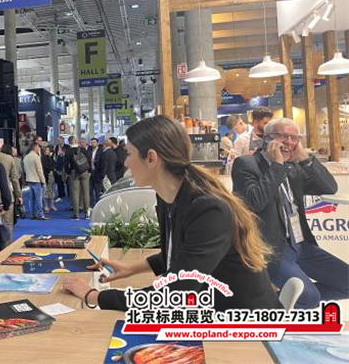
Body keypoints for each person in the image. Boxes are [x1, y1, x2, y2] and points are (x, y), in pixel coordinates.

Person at [62, 116, 282, 312]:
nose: (126, 163)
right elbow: (181, 252)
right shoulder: (171, 197)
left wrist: (94, 296)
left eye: (129, 154)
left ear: (151, 158)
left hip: (247, 325)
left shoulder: (208, 209)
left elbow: (175, 293)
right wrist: (132, 268)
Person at [232, 118, 346, 308]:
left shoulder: (293, 167)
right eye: (283, 136)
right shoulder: (246, 163)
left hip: (300, 244)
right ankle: (266, 306)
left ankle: (270, 302)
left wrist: (305, 158)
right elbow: (253, 203)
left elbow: (329, 187)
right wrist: (276, 165)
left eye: (295, 138)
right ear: (267, 138)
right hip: (270, 249)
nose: (289, 142)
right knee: (309, 298)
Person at [0, 135, 21, 236]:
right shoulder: (9, 158)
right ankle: (8, 244)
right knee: (8, 224)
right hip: (7, 195)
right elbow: (14, 179)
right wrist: (18, 195)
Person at [65, 136, 91, 220]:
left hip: (74, 173)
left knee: (75, 194)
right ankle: (87, 214)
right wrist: (89, 170)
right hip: (84, 172)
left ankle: (76, 214)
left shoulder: (68, 151)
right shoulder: (83, 149)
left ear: (70, 142)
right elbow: (89, 160)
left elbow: (66, 164)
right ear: (76, 141)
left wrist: (69, 172)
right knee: (86, 193)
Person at [23, 142, 48, 220]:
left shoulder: (26, 157)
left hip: (29, 179)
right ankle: (40, 214)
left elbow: (25, 169)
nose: (39, 149)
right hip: (36, 180)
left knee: (31, 198)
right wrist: (43, 180)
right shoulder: (36, 157)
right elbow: (39, 170)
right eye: (38, 147)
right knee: (38, 199)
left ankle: (32, 214)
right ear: (35, 147)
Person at [41, 145, 57, 213]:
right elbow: (46, 167)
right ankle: (46, 206)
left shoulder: (51, 158)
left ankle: (52, 205)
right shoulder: (43, 158)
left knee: (52, 191)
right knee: (45, 191)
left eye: (48, 150)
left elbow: (54, 165)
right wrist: (52, 168)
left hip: (52, 176)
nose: (48, 151)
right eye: (46, 150)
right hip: (46, 176)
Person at [89, 137, 104, 206]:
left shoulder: (101, 151)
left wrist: (94, 161)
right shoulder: (89, 150)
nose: (93, 144)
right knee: (90, 190)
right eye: (92, 142)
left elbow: (102, 162)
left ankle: (98, 205)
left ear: (97, 143)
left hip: (97, 173)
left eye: (94, 142)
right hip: (90, 171)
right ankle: (91, 205)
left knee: (98, 191)